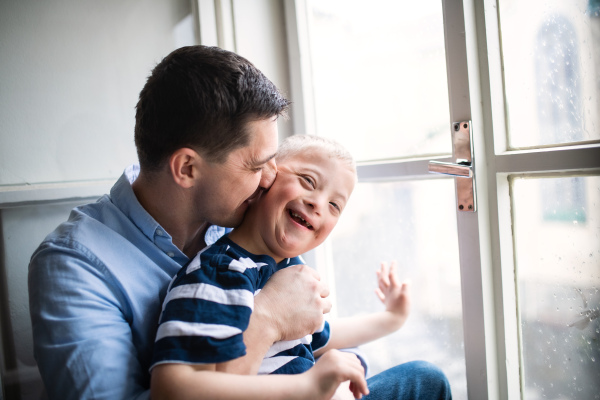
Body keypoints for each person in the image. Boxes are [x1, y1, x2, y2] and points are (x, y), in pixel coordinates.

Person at [28, 45, 332, 400]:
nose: (270, 179)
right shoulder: (73, 266)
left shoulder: (243, 221)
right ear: (187, 168)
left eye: (273, 160)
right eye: (255, 165)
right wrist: (268, 320)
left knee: (414, 377)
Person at [150, 135, 452, 400]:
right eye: (308, 181)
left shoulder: (291, 271)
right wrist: (309, 383)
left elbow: (322, 336)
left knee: (426, 379)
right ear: (265, 179)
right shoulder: (217, 274)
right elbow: (197, 386)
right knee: (426, 379)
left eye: (335, 205)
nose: (319, 203)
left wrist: (391, 318)